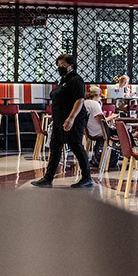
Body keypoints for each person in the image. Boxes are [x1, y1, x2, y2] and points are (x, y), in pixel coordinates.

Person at [31, 54, 94, 188]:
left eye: (63, 65)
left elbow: (79, 100)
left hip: (73, 120)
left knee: (76, 146)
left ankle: (87, 178)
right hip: (60, 120)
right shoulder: (62, 80)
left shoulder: (76, 80)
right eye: (59, 65)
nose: (61, 68)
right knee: (55, 148)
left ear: (71, 65)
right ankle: (48, 178)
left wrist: (71, 118)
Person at [82, 86, 107, 169]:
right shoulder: (94, 104)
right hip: (99, 131)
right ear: (96, 95)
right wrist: (112, 117)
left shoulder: (84, 102)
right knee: (123, 131)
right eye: (100, 96)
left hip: (90, 131)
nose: (100, 98)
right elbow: (101, 120)